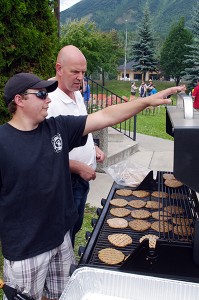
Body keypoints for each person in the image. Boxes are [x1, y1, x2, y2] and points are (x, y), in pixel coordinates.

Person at [0, 71, 185, 300]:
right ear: (19, 100)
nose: (48, 98)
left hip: (60, 240)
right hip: (26, 250)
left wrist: (145, 101)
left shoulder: (56, 128)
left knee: (65, 296)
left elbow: (105, 116)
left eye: (47, 93)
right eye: (40, 94)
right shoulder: (3, 142)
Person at [47, 45, 105, 247]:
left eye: (83, 72)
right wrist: (78, 167)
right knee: (66, 233)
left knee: (77, 224)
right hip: (66, 181)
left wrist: (92, 147)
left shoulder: (78, 95)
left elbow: (80, 128)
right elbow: (45, 152)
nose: (80, 77)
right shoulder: (49, 102)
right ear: (59, 69)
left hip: (82, 180)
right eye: (75, 72)